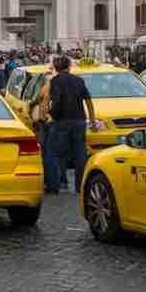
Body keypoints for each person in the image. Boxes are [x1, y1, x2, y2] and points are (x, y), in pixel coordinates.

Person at [44, 56, 97, 195]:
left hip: (61, 120)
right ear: (69, 66)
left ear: (55, 68)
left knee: (54, 153)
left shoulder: (54, 81)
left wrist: (49, 116)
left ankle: (54, 185)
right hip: (79, 120)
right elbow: (89, 101)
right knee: (80, 154)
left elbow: (53, 101)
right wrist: (92, 121)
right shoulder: (79, 80)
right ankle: (80, 186)